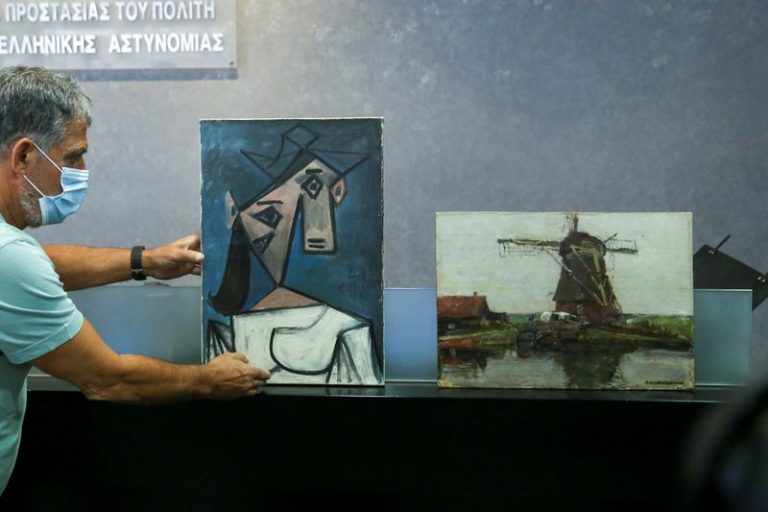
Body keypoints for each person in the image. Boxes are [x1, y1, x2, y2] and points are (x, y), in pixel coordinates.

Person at [0, 65, 271, 495]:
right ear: (23, 157)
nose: (82, 169)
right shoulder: (9, 257)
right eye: (72, 156)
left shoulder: (10, 253)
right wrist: (209, 380)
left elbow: (38, 265)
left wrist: (145, 261)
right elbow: (109, 380)